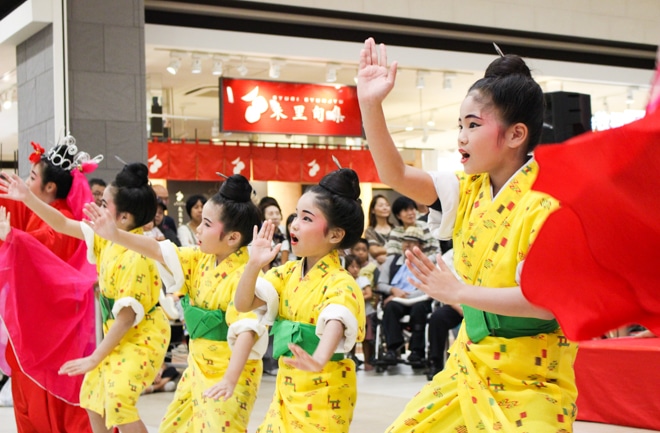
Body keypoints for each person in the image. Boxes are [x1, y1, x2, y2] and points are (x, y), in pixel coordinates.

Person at [357, 37, 578, 432]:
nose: (461, 136)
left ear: (515, 135)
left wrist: (456, 292)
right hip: (470, 363)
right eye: (460, 125)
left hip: (533, 376)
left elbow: (544, 304)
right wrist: (371, 105)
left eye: (473, 125)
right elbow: (395, 175)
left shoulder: (549, 202)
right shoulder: (466, 189)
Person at [84, 174, 267, 432]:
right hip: (197, 366)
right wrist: (115, 234)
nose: (199, 230)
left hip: (231, 372)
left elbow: (247, 330)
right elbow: (158, 250)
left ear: (233, 237)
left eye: (206, 224)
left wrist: (229, 379)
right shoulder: (198, 258)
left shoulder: (245, 276)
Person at [1, 162, 171, 433]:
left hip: (143, 338)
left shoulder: (137, 256)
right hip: (119, 334)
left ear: (124, 218)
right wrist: (27, 197)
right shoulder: (105, 236)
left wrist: (94, 357)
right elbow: (61, 223)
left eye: (104, 205)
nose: (97, 208)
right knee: (91, 398)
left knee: (117, 401)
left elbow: (126, 318)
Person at [234, 168, 366, 433]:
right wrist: (253, 264)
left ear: (335, 235)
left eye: (306, 218)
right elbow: (243, 304)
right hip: (289, 385)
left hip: (326, 389)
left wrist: (318, 358)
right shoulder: (286, 274)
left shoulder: (342, 281)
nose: (293, 224)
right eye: (296, 215)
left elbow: (336, 319)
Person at [0, 137, 98, 433]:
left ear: (50, 187)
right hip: (38, 329)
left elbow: (36, 250)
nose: (26, 184)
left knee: (52, 408)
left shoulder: (64, 223)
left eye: (31, 178)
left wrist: (12, 240)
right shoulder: (37, 214)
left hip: (55, 334)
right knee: (32, 403)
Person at [377, 226, 433, 366]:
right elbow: (380, 284)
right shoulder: (391, 261)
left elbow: (429, 288)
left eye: (412, 242)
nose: (407, 245)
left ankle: (416, 351)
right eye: (405, 241)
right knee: (390, 308)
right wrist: (393, 290)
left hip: (418, 298)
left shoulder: (427, 263)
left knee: (419, 309)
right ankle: (392, 348)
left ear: (421, 246)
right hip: (397, 299)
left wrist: (404, 296)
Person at [343, 254, 374, 370]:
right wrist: (360, 295)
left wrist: (355, 297)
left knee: (366, 338)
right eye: (352, 267)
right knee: (351, 337)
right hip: (350, 314)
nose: (355, 269)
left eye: (357, 267)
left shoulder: (363, 280)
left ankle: (367, 361)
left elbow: (369, 293)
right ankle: (352, 359)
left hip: (365, 314)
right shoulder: (345, 280)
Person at [258, 196, 289, 268]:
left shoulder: (284, 233)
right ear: (263, 217)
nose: (275, 217)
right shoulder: (261, 236)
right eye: (271, 214)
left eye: (277, 213)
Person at [364, 194, 395, 264]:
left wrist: (382, 251)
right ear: (373, 210)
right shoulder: (370, 231)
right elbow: (374, 250)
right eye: (381, 205)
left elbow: (401, 248)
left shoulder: (395, 229)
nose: (385, 208)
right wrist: (393, 249)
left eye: (387, 205)